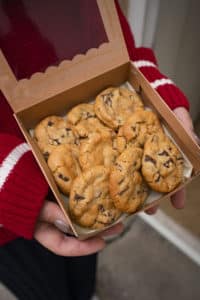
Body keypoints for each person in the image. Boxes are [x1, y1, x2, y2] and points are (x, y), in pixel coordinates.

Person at [0, 1, 198, 300]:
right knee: (41, 287)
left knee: (86, 257)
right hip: (7, 216)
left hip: (81, 200)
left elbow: (105, 24)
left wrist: (138, 72)